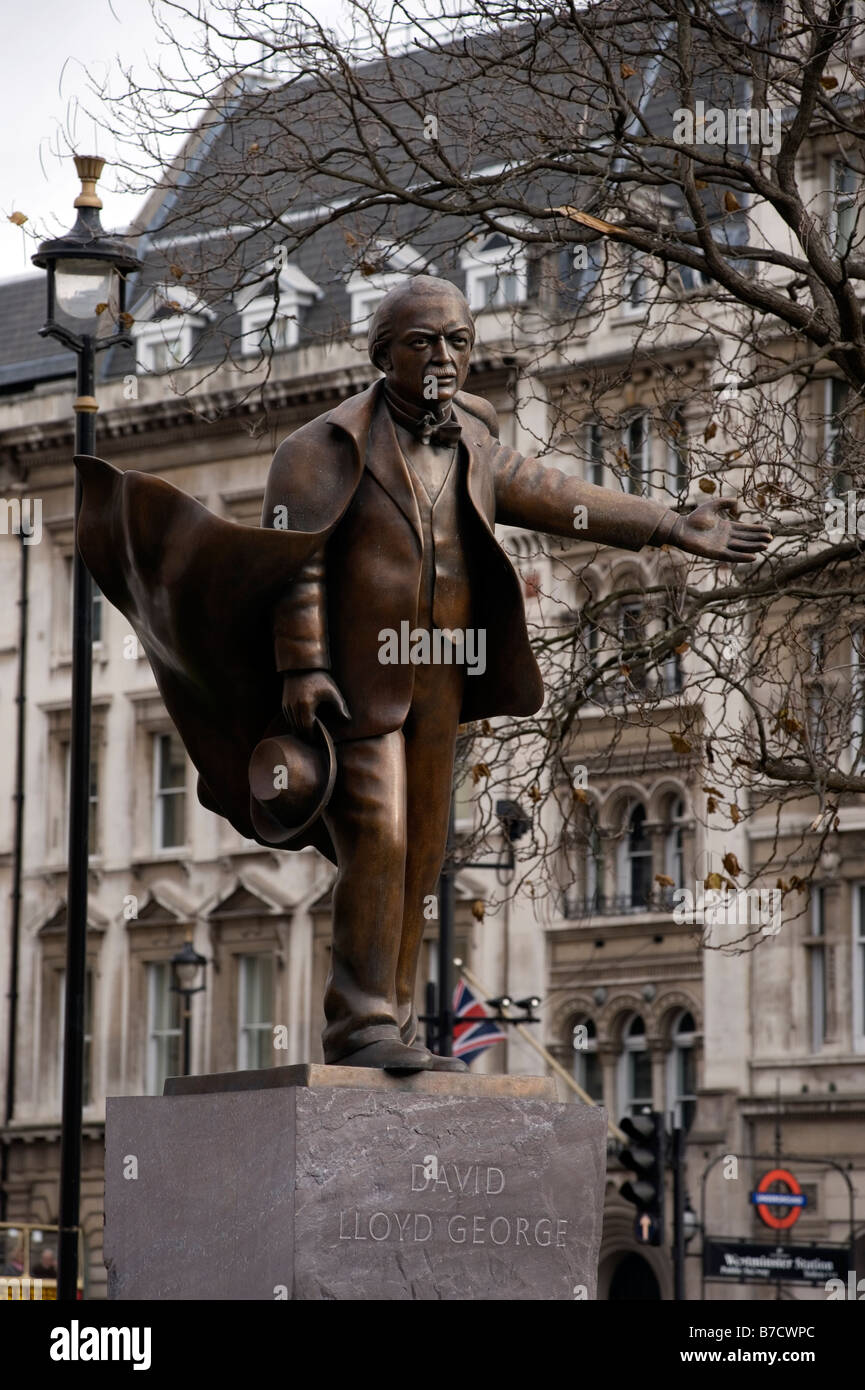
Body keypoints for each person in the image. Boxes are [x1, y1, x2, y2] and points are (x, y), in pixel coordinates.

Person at [73, 275, 771, 1072]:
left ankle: (395, 1022)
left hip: (442, 672)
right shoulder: (318, 449)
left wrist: (668, 525)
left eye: (458, 341)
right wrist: (302, 667)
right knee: (381, 833)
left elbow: (550, 491)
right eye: (423, 341)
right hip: (355, 681)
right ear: (382, 354)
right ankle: (359, 1021)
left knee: (425, 851)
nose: (444, 356)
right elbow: (292, 567)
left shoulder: (469, 432)